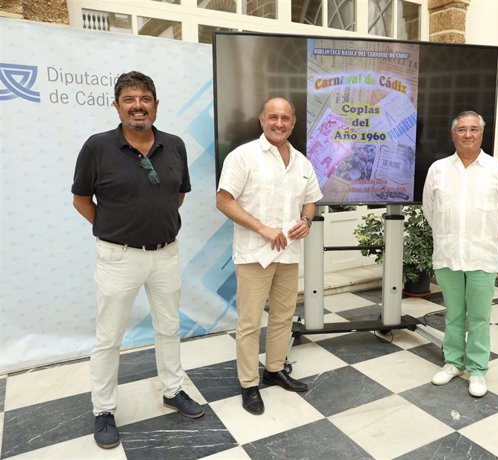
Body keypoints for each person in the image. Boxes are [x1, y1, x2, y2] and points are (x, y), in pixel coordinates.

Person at [72, 71, 204, 449]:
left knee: (169, 327)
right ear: (117, 106)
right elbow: (81, 199)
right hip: (118, 257)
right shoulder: (97, 147)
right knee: (108, 337)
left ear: (156, 105)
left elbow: (178, 195)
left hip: (166, 253)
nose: (138, 106)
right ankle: (103, 410)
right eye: (129, 99)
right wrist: (115, 228)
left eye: (145, 98)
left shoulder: (174, 145)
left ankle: (173, 389)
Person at [216, 97, 322, 415]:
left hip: (288, 253)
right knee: (249, 323)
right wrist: (262, 228)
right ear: (262, 120)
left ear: (293, 122)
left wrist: (306, 221)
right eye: (272, 117)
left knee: (282, 316)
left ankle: (274, 370)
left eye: (285, 118)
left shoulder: (302, 162)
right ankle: (249, 384)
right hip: (253, 254)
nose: (279, 123)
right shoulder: (243, 156)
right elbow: (223, 200)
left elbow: (311, 201)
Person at [422, 111, 498, 397]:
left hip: (482, 256)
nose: (467, 134)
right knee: (453, 314)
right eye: (462, 129)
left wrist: (482, 233)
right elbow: (430, 211)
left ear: (481, 134)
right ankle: (453, 362)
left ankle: (477, 370)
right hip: (448, 255)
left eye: (473, 129)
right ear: (453, 135)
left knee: (478, 317)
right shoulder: (438, 169)